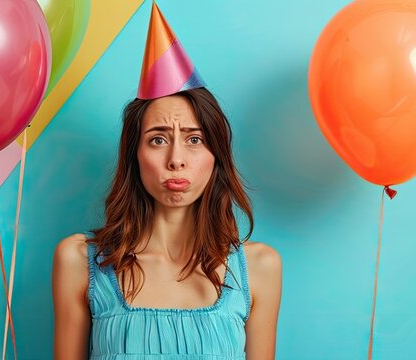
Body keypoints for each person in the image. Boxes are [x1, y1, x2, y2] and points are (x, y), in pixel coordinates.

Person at [52, 3, 281, 359]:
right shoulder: (80, 261)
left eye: (194, 139)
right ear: (135, 154)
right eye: (158, 139)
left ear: (215, 156)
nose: (176, 160)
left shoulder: (260, 268)